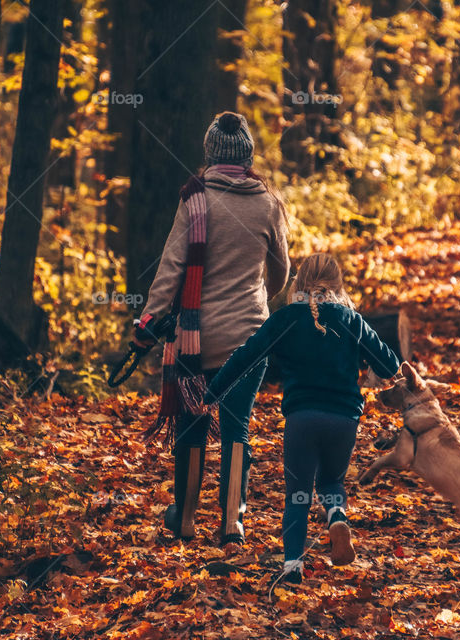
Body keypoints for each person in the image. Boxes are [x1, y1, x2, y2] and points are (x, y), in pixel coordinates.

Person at [134, 111, 290, 547]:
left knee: (192, 425)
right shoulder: (268, 203)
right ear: (248, 155)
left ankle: (184, 518)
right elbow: (281, 271)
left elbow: (171, 267)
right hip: (249, 338)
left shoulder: (195, 199)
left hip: (196, 340)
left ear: (210, 153)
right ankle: (232, 522)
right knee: (237, 425)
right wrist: (258, 292)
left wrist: (148, 319)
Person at [204, 254, 401, 584]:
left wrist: (211, 394)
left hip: (302, 419)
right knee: (331, 483)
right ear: (338, 285)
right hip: (344, 421)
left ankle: (292, 566)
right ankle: (337, 515)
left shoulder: (287, 319)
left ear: (299, 283)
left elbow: (245, 357)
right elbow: (390, 366)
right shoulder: (351, 320)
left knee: (298, 493)